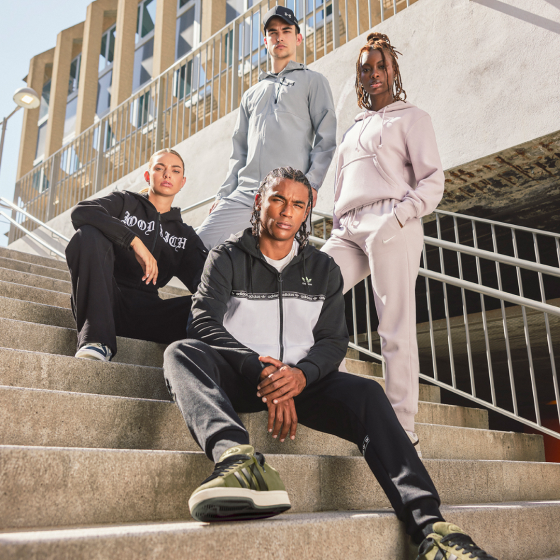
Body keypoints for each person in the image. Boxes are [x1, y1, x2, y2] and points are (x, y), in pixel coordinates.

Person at [163, 167, 496, 560]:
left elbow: (334, 340)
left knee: (367, 392)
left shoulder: (323, 269)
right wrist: (260, 368)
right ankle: (238, 461)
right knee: (181, 352)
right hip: (243, 376)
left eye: (297, 204)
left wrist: (300, 376)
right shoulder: (226, 256)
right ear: (258, 202)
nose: (286, 211)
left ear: (307, 211)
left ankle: (433, 531)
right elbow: (202, 321)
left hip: (305, 384)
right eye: (277, 199)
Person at [321, 33, 445, 451]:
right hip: (347, 229)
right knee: (308, 290)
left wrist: (399, 217)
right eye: (366, 68)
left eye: (380, 66)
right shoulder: (354, 128)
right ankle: (322, 388)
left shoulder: (413, 118)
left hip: (391, 222)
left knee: (393, 327)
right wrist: (337, 223)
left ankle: (402, 427)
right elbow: (342, 183)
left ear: (393, 70)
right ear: (359, 76)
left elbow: (433, 180)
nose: (373, 73)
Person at [196, 6, 336, 250]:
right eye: (273, 32)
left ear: (298, 38)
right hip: (246, 192)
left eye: (286, 31)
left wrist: (311, 184)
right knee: (197, 246)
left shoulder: (313, 81)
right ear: (265, 41)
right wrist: (224, 194)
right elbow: (239, 150)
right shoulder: (251, 94)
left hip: (288, 194)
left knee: (276, 264)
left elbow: (326, 138)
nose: (279, 37)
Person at [66, 148, 208, 361]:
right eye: (160, 168)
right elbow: (82, 211)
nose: (167, 174)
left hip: (150, 315)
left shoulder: (184, 235)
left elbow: (206, 283)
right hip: (105, 303)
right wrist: (133, 241)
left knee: (211, 303)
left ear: (182, 182)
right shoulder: (125, 203)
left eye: (175, 170)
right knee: (87, 234)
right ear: (148, 176)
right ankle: (95, 342)